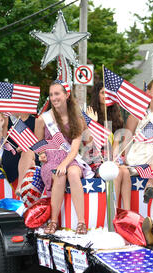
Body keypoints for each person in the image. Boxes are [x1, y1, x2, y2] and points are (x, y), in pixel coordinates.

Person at [35, 81, 92, 235]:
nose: (54, 98)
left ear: (66, 95)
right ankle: (53, 222)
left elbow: (74, 149)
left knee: (73, 173)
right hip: (51, 161)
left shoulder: (77, 119)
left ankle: (81, 222)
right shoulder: (43, 119)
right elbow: (38, 145)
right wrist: (41, 154)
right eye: (51, 94)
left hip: (70, 158)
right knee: (59, 175)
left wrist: (65, 164)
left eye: (57, 94)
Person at [84, 81, 132, 210]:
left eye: (109, 93)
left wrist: (114, 161)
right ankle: (113, 212)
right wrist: (92, 124)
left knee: (124, 171)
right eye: (102, 93)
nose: (106, 96)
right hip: (94, 159)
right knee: (114, 172)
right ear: (97, 95)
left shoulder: (115, 117)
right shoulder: (89, 115)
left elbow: (115, 145)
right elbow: (89, 145)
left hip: (110, 158)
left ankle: (127, 213)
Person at [1, 113, 38, 195]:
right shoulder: (8, 119)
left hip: (29, 150)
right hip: (11, 151)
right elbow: (3, 141)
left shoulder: (35, 120)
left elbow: (38, 142)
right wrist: (1, 127)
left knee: (27, 155)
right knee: (8, 161)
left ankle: (21, 187)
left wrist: (26, 146)